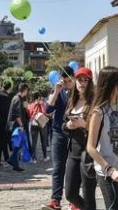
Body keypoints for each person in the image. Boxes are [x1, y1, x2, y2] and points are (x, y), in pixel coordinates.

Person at [86, 66, 118, 210]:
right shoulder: (98, 112)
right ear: (112, 84)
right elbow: (91, 148)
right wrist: (110, 170)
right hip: (107, 173)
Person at [63, 67, 98, 210]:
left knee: (89, 194)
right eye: (79, 80)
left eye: (85, 80)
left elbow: (100, 129)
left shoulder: (94, 103)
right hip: (73, 153)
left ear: (90, 83)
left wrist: (85, 124)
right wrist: (68, 125)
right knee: (70, 194)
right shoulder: (72, 101)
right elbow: (62, 126)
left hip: (89, 153)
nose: (82, 83)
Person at [43, 66, 75, 210]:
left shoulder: (78, 92)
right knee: (58, 167)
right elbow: (48, 110)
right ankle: (55, 199)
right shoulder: (59, 92)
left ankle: (74, 200)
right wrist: (56, 91)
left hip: (74, 134)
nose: (67, 83)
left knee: (72, 168)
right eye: (65, 80)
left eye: (69, 80)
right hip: (58, 133)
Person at [8, 83, 29, 172]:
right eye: (27, 90)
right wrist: (21, 125)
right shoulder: (17, 98)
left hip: (18, 125)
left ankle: (12, 160)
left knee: (19, 144)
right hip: (17, 125)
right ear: (25, 90)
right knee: (17, 145)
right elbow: (16, 114)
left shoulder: (20, 98)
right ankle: (14, 164)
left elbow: (23, 110)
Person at [0, 82, 13, 166]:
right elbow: (7, 111)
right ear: (9, 88)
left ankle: (0, 159)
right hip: (4, 122)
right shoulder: (6, 98)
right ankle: (6, 159)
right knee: (4, 141)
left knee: (0, 141)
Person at [27, 91, 50, 162]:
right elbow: (44, 112)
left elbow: (28, 114)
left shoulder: (29, 104)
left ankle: (34, 158)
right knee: (43, 140)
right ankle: (45, 157)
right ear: (38, 97)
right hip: (42, 123)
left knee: (34, 142)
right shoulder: (41, 103)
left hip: (33, 123)